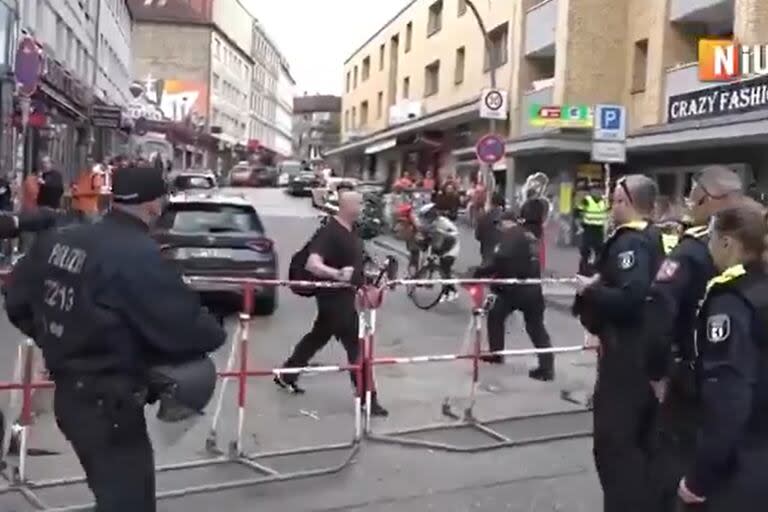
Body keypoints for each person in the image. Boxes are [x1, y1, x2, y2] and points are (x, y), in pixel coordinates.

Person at [3, 165, 226, 511]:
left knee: (115, 499)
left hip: (71, 395)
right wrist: (214, 325)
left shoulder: (62, 238)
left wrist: (56, 338)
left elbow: (17, 300)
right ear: (154, 207)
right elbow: (190, 330)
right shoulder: (138, 255)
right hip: (109, 407)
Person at [644, 166, 743, 511]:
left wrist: (658, 371)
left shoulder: (695, 249)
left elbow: (659, 310)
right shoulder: (755, 246)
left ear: (708, 199)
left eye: (694, 196)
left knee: (674, 466)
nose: (690, 204)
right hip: (743, 381)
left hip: (695, 377)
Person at [574, 174, 666, 512]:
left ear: (625, 203)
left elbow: (632, 296)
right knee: (641, 445)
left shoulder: (630, 242)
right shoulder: (656, 237)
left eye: (614, 200)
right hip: (644, 355)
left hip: (626, 357)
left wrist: (591, 289)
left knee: (616, 447)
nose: (611, 207)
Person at [676, 199, 768, 510]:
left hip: (743, 465)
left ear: (727, 242)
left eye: (711, 238)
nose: (708, 247)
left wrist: (698, 480)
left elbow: (729, 399)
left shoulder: (732, 301)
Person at [275, 189, 388, 416]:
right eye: (359, 204)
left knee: (317, 336)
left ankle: (287, 374)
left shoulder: (351, 230)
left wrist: (368, 276)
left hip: (343, 298)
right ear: (347, 207)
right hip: (335, 300)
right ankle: (368, 398)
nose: (362, 208)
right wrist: (336, 274)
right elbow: (312, 264)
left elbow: (353, 262)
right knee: (356, 347)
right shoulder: (330, 232)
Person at [474, 209, 554, 377]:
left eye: (500, 224)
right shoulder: (528, 235)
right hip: (533, 287)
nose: (500, 228)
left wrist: (480, 272)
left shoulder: (511, 235)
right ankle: (547, 367)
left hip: (514, 289)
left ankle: (497, 354)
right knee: (536, 327)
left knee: (495, 315)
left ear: (507, 222)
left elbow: (500, 259)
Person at [410, 203, 460, 302]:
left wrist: (444, 235)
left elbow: (453, 233)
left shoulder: (443, 222)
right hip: (442, 246)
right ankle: (447, 291)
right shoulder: (433, 223)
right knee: (442, 269)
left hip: (451, 247)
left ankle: (451, 291)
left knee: (445, 270)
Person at [576, 183, 609, 275]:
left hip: (599, 229)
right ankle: (583, 270)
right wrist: (579, 227)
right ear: (591, 192)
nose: (597, 192)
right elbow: (578, 214)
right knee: (585, 251)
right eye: (595, 190)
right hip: (588, 228)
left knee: (600, 251)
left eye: (599, 190)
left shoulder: (604, 201)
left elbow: (608, 214)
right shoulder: (586, 201)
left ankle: (597, 270)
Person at [475, 192, 506, 264]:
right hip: (502, 251)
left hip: (486, 250)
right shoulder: (506, 217)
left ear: (491, 203)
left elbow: (477, 235)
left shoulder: (483, 217)